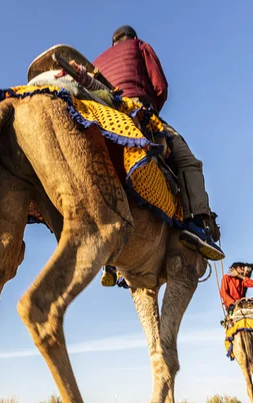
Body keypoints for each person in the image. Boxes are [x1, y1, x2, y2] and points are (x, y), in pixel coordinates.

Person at [92, 25, 224, 285]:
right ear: (132, 38)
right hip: (134, 108)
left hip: (103, 118)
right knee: (189, 162)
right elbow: (159, 85)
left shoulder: (98, 60)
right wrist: (153, 110)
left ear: (113, 42)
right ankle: (196, 223)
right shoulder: (141, 47)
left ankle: (108, 255)